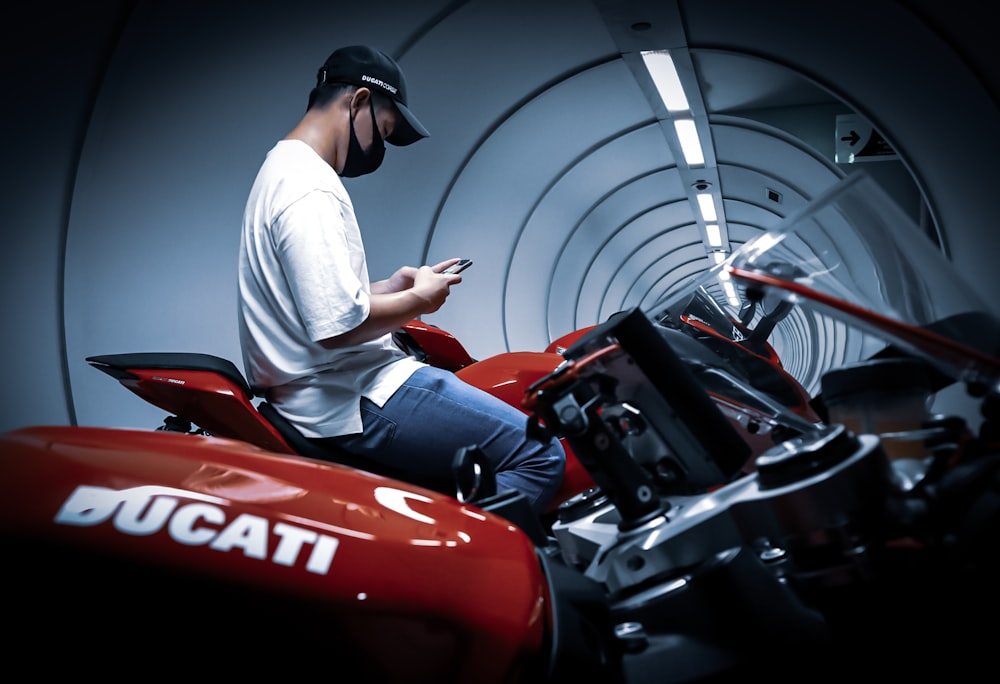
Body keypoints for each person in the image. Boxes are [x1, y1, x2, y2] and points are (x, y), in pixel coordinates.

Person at [237, 45, 565, 513]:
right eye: (386, 133)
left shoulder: (282, 169)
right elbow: (339, 327)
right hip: (351, 393)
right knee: (538, 453)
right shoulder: (309, 186)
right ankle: (471, 575)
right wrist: (421, 302)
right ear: (359, 102)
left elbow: (304, 300)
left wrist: (389, 289)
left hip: (322, 390)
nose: (381, 149)